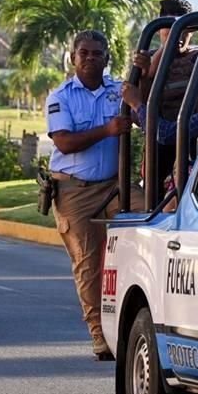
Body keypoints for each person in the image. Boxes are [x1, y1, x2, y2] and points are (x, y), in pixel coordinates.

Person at [44, 30, 142, 361]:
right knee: (89, 264)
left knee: (158, 221)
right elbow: (64, 142)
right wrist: (107, 130)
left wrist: (145, 73)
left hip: (116, 185)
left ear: (106, 59)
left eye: (96, 53)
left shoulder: (119, 91)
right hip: (75, 189)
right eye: (83, 53)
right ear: (73, 57)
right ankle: (100, 334)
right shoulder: (61, 96)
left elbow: (145, 108)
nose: (89, 58)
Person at [132, 0, 198, 188]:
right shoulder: (148, 60)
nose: (176, 36)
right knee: (155, 194)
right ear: (160, 30)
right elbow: (137, 111)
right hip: (160, 139)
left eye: (181, 30)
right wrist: (146, 73)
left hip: (194, 137)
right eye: (169, 30)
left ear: (191, 32)